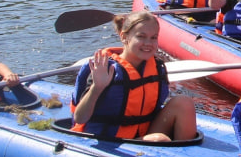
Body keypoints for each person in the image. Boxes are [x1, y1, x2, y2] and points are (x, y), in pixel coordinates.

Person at [72, 12, 197, 142]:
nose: (148, 43)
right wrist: (97, 87)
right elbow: (80, 118)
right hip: (109, 140)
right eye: (141, 37)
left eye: (153, 37)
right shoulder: (104, 68)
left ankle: (188, 155)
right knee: (160, 139)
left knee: (184, 102)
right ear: (124, 37)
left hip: (142, 134)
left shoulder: (156, 66)